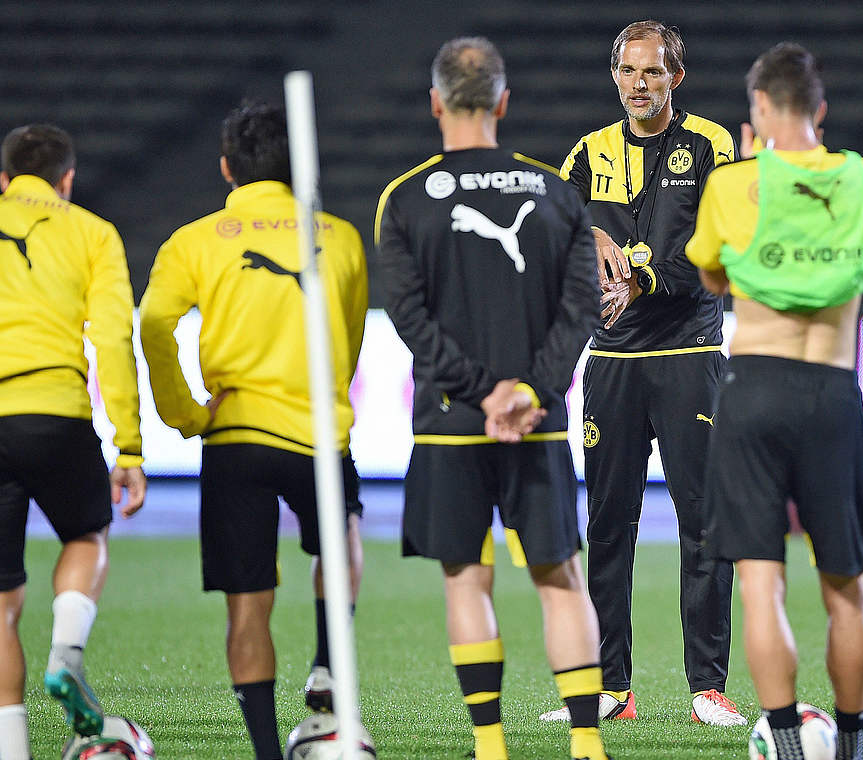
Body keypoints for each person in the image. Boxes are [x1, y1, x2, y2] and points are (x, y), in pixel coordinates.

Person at [375, 37, 606, 760]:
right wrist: (530, 390)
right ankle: (588, 748)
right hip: (537, 425)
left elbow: (409, 319)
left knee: (466, 579)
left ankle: (492, 746)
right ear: (504, 102)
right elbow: (582, 308)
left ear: (436, 102)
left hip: (452, 425)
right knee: (562, 580)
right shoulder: (554, 191)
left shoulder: (405, 196)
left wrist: (482, 395)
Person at [139, 103, 368, 760]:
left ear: (225, 168)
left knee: (248, 602)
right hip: (316, 434)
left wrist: (185, 414)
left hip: (234, 434)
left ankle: (268, 753)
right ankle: (327, 661)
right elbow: (346, 342)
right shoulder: (340, 237)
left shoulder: (196, 238)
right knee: (343, 539)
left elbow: (154, 326)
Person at [686, 42, 863, 760]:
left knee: (761, 588)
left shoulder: (734, 185)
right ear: (821, 110)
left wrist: (751, 167)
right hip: (832, 390)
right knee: (846, 591)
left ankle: (786, 746)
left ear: (760, 110)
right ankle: (852, 746)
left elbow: (712, 278)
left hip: (755, 386)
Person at [548, 19, 744, 727]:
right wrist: (590, 238)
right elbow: (555, 234)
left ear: (676, 78)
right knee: (606, 527)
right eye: (629, 71)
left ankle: (707, 688)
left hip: (689, 353)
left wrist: (642, 278)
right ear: (614, 77)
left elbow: (718, 248)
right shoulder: (585, 154)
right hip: (612, 362)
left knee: (703, 524)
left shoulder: (714, 144)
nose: (640, 84)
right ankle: (611, 688)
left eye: (654, 72)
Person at [0, 124, 145, 760]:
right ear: (67, 180)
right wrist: (130, 448)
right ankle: (67, 650)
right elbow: (113, 340)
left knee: (1, 603)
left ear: (5, 180)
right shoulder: (92, 232)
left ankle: (10, 749)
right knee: (86, 537)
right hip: (55, 410)